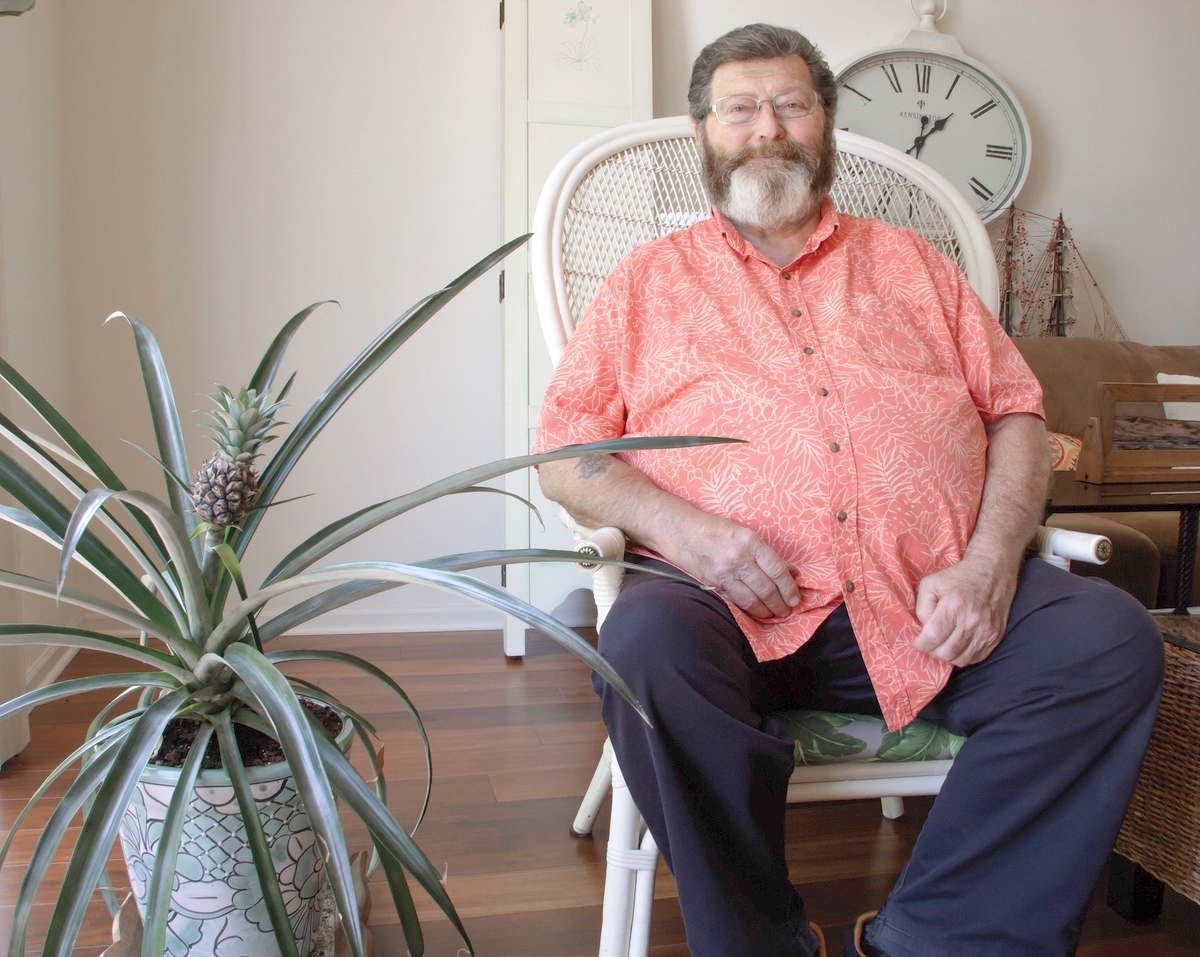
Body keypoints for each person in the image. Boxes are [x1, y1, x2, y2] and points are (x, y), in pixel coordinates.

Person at [532, 22, 1163, 957]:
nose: (767, 128)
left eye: (791, 104)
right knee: (644, 648)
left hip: (932, 601)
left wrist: (991, 564)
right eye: (738, 109)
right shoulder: (647, 284)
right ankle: (760, 939)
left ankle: (941, 934)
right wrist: (689, 532)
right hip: (728, 607)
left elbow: (1018, 417)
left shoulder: (916, 266)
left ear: (824, 122)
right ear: (704, 134)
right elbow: (564, 451)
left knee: (1108, 645)